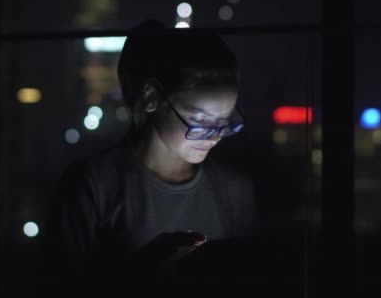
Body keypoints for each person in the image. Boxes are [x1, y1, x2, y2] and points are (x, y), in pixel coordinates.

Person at [42, 20, 261, 297]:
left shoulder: (236, 189)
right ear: (151, 97)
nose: (214, 135)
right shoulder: (91, 185)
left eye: (224, 122)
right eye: (199, 121)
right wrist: (141, 270)